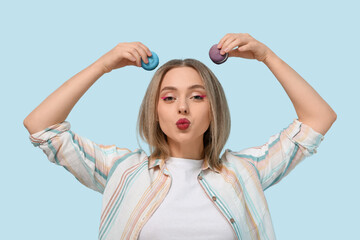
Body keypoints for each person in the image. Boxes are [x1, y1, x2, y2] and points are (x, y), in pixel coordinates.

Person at [24, 33, 337, 240]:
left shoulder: (246, 172)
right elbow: (41, 125)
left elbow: (318, 118)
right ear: (155, 111)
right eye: (169, 97)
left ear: (214, 110)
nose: (183, 107)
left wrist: (266, 55)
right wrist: (104, 65)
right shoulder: (122, 170)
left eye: (197, 97)